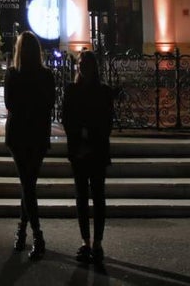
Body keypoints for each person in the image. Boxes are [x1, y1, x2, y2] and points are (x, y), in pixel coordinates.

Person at [3, 29, 55, 260]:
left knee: (28, 185)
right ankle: (26, 233)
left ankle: (32, 233)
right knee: (29, 184)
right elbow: (50, 104)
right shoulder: (47, 75)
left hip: (19, 135)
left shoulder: (13, 73)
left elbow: (9, 104)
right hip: (37, 135)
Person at [61, 49, 114, 265]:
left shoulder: (103, 91)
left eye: (86, 64)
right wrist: (80, 136)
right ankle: (86, 241)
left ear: (93, 68)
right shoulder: (71, 90)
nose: (82, 67)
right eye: (80, 63)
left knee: (98, 198)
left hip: (96, 150)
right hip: (80, 151)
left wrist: (87, 135)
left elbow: (107, 122)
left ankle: (97, 243)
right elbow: (66, 119)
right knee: (82, 198)